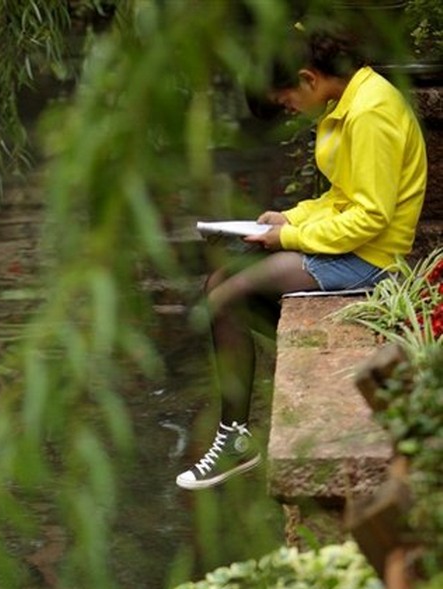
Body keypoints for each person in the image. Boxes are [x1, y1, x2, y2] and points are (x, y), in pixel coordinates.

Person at [176, 26, 428, 490]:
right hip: (347, 246)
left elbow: (370, 218)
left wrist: (290, 237)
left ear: (308, 78)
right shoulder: (351, 102)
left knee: (227, 297)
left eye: (287, 99)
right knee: (217, 284)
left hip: (370, 260)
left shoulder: (370, 112)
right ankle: (236, 436)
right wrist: (287, 217)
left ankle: (235, 441)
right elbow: (342, 196)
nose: (288, 109)